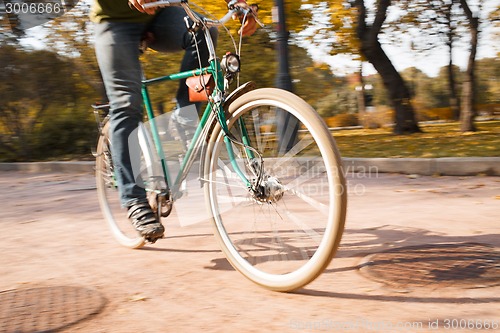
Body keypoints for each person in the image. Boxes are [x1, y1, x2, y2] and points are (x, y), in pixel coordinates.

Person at [90, 0, 258, 242]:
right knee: (126, 104)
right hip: (115, 21)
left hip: (160, 15)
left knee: (205, 29)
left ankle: (183, 116)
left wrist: (240, 3)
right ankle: (135, 200)